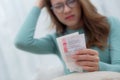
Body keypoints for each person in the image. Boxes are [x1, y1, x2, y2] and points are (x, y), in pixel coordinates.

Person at [15, 0, 120, 74]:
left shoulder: (109, 24)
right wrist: (38, 5)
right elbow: (21, 42)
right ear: (53, 11)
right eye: (58, 6)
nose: (66, 10)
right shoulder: (55, 40)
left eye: (71, 1)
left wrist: (99, 67)